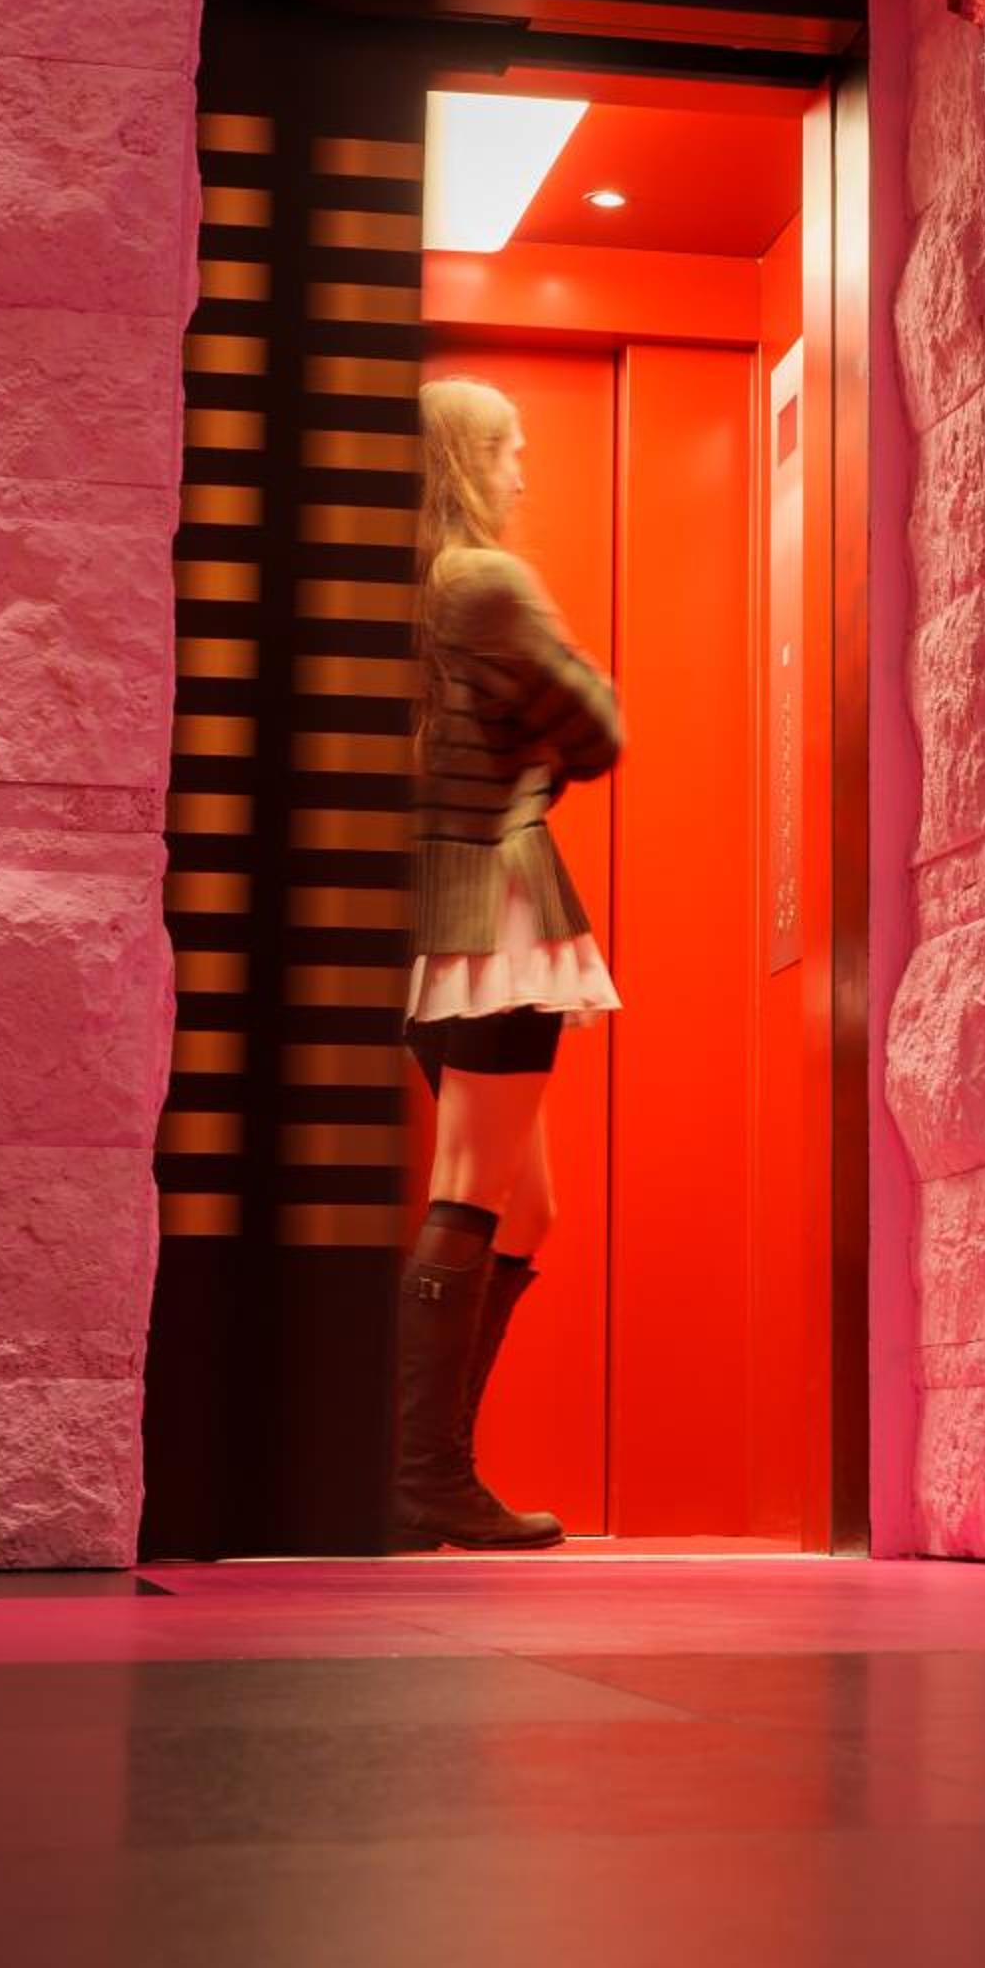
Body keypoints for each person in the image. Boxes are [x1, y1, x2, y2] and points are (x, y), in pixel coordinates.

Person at [392, 375, 623, 1549]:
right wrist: (547, 744)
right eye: (510, 449)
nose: (522, 470)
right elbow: (598, 726)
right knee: (474, 1183)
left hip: (431, 914)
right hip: (494, 903)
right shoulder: (483, 581)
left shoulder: (399, 592)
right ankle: (420, 1476)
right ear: (468, 460)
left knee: (526, 1205)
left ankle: (424, 1470)